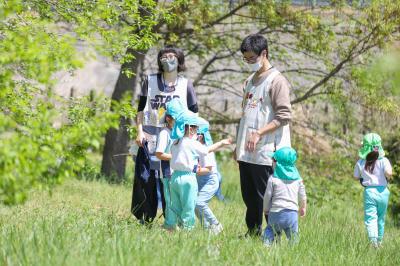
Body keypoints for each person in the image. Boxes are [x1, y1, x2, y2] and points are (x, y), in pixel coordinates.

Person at [131, 46, 198, 224]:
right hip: (149, 139)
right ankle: (144, 219)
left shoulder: (186, 84)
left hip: (174, 142)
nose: (168, 59)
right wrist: (139, 132)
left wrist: (190, 141)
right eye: (164, 56)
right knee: (146, 180)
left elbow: (194, 115)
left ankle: (173, 220)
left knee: (170, 182)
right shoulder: (150, 80)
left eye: (172, 56)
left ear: (179, 60)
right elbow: (140, 109)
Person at [235, 34, 292, 236]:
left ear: (264, 53)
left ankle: (273, 235)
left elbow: (284, 116)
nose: (249, 62)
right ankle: (253, 232)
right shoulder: (249, 81)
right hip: (246, 150)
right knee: (249, 196)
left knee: (266, 196)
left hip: (267, 151)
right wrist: (237, 145)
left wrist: (259, 133)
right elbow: (244, 115)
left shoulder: (277, 81)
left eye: (252, 58)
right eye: (246, 59)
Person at [168, 112, 231, 230]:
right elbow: (207, 150)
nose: (197, 133)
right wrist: (221, 143)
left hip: (175, 177)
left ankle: (172, 226)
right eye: (196, 130)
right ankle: (187, 228)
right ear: (191, 129)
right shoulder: (193, 143)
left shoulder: (175, 141)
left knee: (176, 205)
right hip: (188, 178)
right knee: (189, 205)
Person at [354, 133, 392, 248]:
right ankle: (379, 241)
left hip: (370, 192)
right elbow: (389, 173)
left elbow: (355, 177)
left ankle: (373, 242)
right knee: (381, 217)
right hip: (384, 192)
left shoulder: (361, 162)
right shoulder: (384, 160)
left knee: (371, 217)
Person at [262, 147, 307, 246]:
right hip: (292, 214)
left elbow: (267, 196)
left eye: (274, 160)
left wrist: (266, 209)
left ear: (278, 164)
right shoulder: (298, 180)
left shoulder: (273, 179)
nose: (272, 162)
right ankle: (294, 250)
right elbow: (302, 195)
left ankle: (266, 246)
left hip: (275, 213)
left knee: (270, 229)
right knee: (293, 235)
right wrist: (303, 207)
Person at [155, 99, 186, 229]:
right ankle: (170, 224)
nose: (180, 122)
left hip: (178, 172)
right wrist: (175, 157)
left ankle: (178, 222)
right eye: (176, 119)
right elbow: (159, 153)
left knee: (178, 199)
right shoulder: (164, 133)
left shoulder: (178, 133)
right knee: (170, 199)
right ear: (168, 119)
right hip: (168, 173)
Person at [195, 123, 223, 234]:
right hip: (200, 179)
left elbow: (208, 169)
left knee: (199, 203)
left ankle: (216, 224)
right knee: (194, 204)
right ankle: (206, 228)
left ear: (200, 136)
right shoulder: (196, 148)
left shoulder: (206, 150)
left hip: (210, 180)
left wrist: (193, 169)